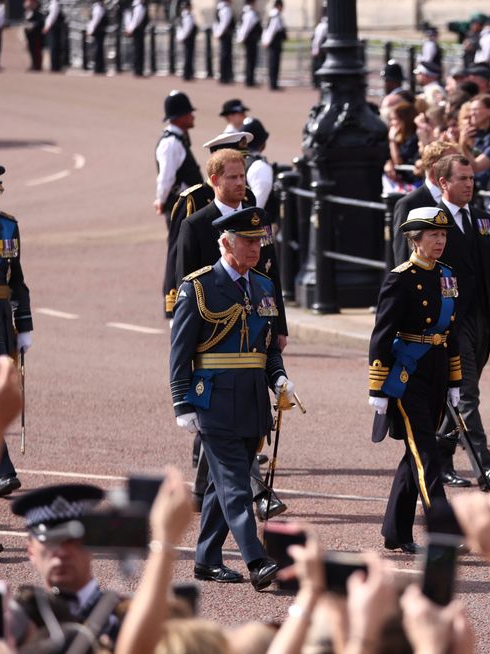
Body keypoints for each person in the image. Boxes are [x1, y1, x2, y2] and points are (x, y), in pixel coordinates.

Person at [170, 206, 288, 590]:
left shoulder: (264, 286)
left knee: (224, 484)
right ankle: (257, 559)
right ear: (226, 242)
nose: (255, 248)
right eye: (247, 241)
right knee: (237, 484)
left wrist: (280, 378)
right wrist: (182, 403)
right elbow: (181, 350)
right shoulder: (199, 286)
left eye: (258, 241)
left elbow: (267, 348)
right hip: (214, 400)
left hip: (253, 400)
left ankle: (206, 558)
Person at [368, 207, 462, 554]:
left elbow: (451, 333)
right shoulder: (401, 277)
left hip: (437, 370)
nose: (439, 241)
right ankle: (444, 531)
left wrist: (454, 380)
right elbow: (381, 334)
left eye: (443, 235)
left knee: (416, 456)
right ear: (415, 240)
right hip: (407, 376)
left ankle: (396, 531)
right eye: (432, 236)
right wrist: (377, 386)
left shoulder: (448, 275)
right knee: (427, 454)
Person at [432, 154, 490, 490]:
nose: (469, 184)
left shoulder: (483, 220)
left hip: (480, 318)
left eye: (471, 178)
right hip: (449, 321)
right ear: (443, 183)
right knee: (467, 393)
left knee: (457, 395)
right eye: (462, 179)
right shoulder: (431, 222)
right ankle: (485, 465)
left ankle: (438, 460)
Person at [9, 483, 121, 644]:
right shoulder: (16, 623)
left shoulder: (127, 617)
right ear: (31, 552)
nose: (61, 552)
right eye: (50, 541)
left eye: (71, 540)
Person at [163, 129, 253, 319]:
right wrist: (173, 298)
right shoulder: (193, 199)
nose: (239, 181)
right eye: (231, 174)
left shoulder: (247, 197)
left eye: (241, 174)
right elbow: (178, 251)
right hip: (209, 306)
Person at [0, 165, 33, 500]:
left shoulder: (8, 225)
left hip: (0, 319)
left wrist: (25, 326)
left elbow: (17, 281)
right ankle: (3, 470)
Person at [391, 141, 460, 266]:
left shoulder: (458, 199)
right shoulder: (408, 203)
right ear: (435, 167)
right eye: (452, 163)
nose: (458, 168)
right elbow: (402, 254)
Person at [155, 91, 202, 230]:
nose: (192, 116)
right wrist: (161, 199)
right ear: (179, 118)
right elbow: (166, 177)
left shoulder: (178, 140)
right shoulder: (170, 143)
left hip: (186, 204)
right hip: (180, 205)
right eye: (188, 113)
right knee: (178, 249)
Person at [261, 0, 286, 91]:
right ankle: (273, 84)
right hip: (274, 42)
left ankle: (273, 83)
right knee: (274, 64)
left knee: (273, 63)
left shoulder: (272, 15)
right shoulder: (275, 16)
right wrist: (267, 41)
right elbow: (272, 30)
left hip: (272, 42)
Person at [236, 0, 261, 87]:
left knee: (250, 60)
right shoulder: (250, 13)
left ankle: (250, 79)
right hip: (250, 40)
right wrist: (241, 38)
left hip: (249, 40)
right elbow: (246, 27)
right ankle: (249, 80)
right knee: (251, 61)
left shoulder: (247, 12)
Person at [213, 0, 235, 84]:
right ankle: (225, 76)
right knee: (226, 56)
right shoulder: (226, 9)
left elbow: (217, 23)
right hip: (226, 35)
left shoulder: (220, 8)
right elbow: (224, 23)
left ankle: (225, 76)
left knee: (224, 56)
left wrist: (217, 33)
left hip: (223, 35)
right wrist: (219, 34)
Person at [42, 0, 65, 72]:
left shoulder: (54, 3)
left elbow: (52, 17)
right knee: (54, 47)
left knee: (54, 47)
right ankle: (55, 65)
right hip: (54, 28)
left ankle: (55, 66)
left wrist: (47, 27)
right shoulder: (53, 3)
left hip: (54, 28)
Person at [176, 0, 197, 81]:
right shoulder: (188, 16)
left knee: (187, 57)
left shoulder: (182, 16)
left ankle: (188, 73)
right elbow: (187, 29)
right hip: (188, 39)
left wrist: (180, 37)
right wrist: (182, 37)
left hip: (185, 38)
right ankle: (187, 74)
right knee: (188, 57)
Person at [85, 0, 107, 74]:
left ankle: (98, 67)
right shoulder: (100, 6)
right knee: (99, 48)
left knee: (97, 48)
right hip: (99, 30)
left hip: (98, 30)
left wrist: (90, 30)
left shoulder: (98, 7)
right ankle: (99, 67)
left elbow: (95, 20)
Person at [23, 0, 44, 71]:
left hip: (36, 35)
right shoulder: (28, 12)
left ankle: (38, 65)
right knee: (31, 50)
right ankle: (33, 64)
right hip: (30, 35)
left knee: (37, 51)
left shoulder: (38, 12)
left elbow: (40, 22)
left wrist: (32, 26)